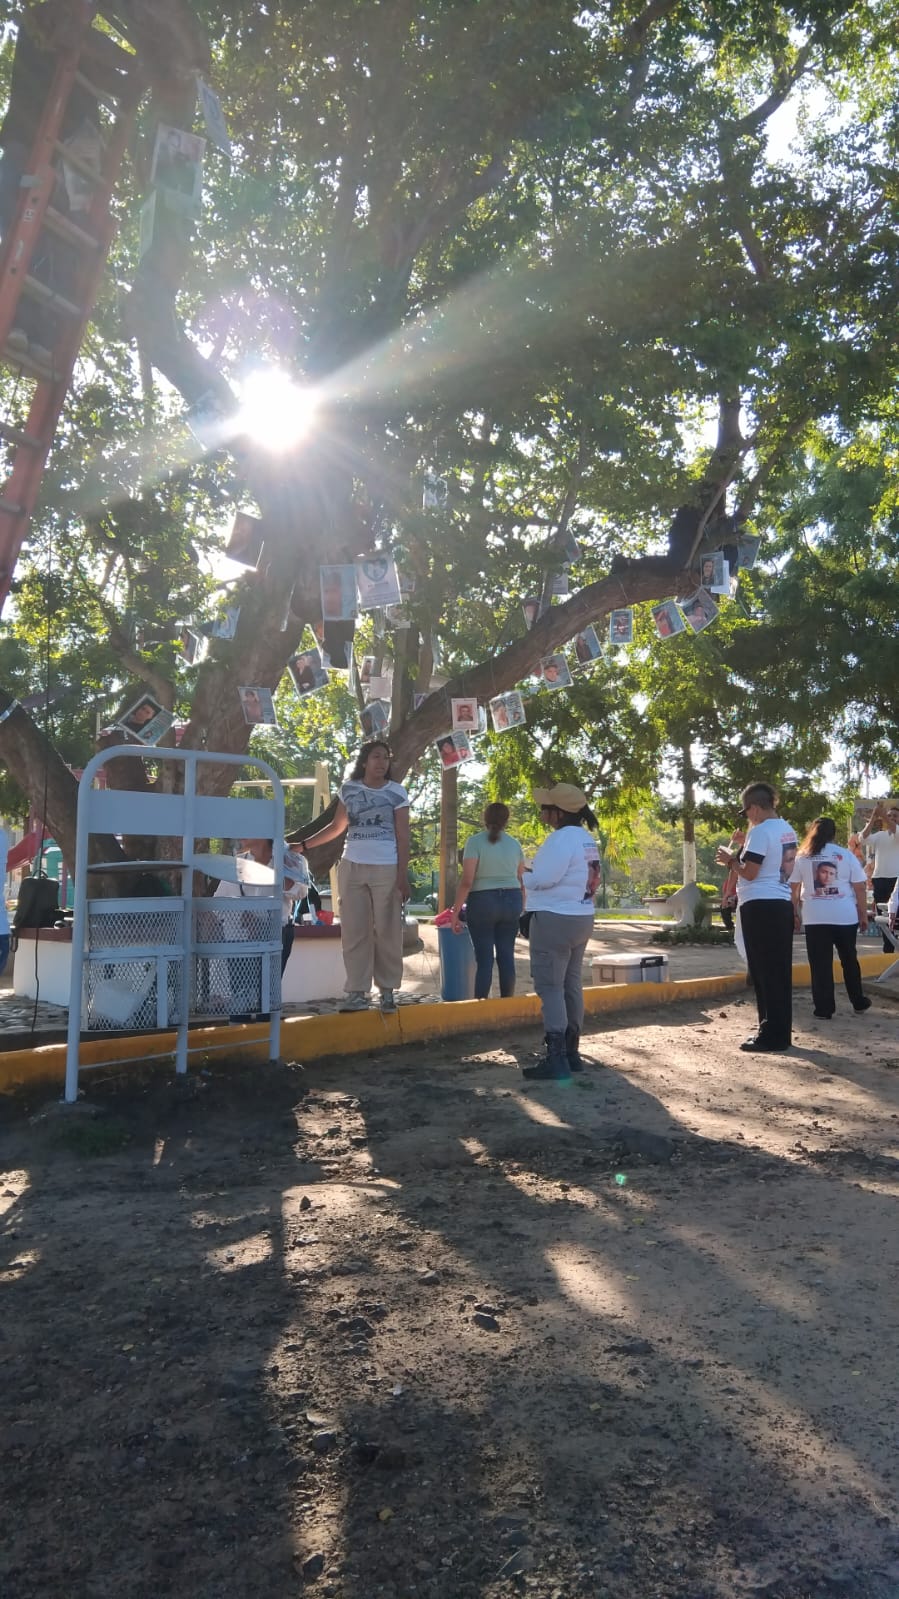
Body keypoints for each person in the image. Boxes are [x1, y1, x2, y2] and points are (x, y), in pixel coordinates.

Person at [296, 740, 410, 1013]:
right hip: (352, 865)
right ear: (364, 761)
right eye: (376, 757)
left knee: (387, 931)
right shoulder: (349, 789)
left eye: (386, 757)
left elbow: (403, 836)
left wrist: (402, 877)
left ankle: (387, 991)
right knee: (354, 931)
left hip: (387, 866)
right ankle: (357, 992)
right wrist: (303, 846)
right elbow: (337, 827)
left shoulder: (397, 792)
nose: (382, 762)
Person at [521, 782, 600, 1082]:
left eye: (546, 807)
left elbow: (545, 879)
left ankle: (556, 1058)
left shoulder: (560, 840)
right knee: (571, 984)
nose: (542, 811)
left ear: (558, 813)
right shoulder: (585, 839)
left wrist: (524, 875)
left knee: (550, 987)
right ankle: (571, 1053)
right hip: (581, 916)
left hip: (554, 919)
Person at [716, 782, 797, 1053]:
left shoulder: (761, 832)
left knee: (763, 972)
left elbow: (749, 872)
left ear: (755, 808)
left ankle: (770, 1034)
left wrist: (730, 860)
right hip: (780, 903)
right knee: (779, 972)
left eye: (747, 812)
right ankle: (779, 1031)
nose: (748, 818)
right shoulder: (787, 829)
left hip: (760, 904)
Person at [214, 837, 308, 1020]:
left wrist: (276, 872)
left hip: (276, 934)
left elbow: (301, 892)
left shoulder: (290, 860)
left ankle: (267, 1042)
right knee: (240, 999)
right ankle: (242, 1044)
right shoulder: (235, 864)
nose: (239, 835)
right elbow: (218, 902)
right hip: (238, 938)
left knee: (267, 997)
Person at [789, 818, 870, 1019]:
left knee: (820, 964)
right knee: (849, 959)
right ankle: (858, 1001)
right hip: (845, 916)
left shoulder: (802, 858)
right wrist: (862, 913)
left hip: (815, 917)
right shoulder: (846, 855)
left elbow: (793, 888)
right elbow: (860, 886)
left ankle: (824, 1009)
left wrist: (794, 914)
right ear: (834, 834)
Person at [449, 803, 525, 1000]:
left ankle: (481, 1005)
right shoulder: (515, 844)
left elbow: (467, 881)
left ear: (485, 818)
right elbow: (520, 879)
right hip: (512, 900)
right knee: (506, 956)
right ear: (507, 820)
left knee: (484, 960)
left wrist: (455, 912)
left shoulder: (474, 843)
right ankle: (507, 1003)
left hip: (483, 901)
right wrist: (521, 910)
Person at [858, 801, 899, 951]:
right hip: (880, 879)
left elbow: (894, 828)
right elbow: (862, 838)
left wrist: (883, 815)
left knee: (897, 915)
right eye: (889, 816)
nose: (892, 818)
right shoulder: (880, 836)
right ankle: (888, 948)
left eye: (895, 816)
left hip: (897, 881)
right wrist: (874, 817)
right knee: (883, 916)